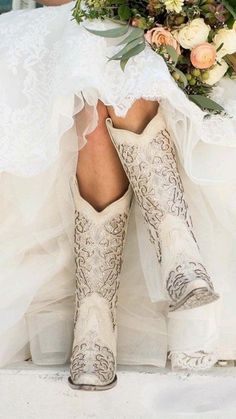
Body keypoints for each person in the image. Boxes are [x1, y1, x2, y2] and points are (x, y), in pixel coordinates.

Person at [0, 0, 235, 391]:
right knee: (92, 52)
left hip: (148, 39)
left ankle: (95, 322)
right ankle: (177, 252)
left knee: (113, 56)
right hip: (71, 27)